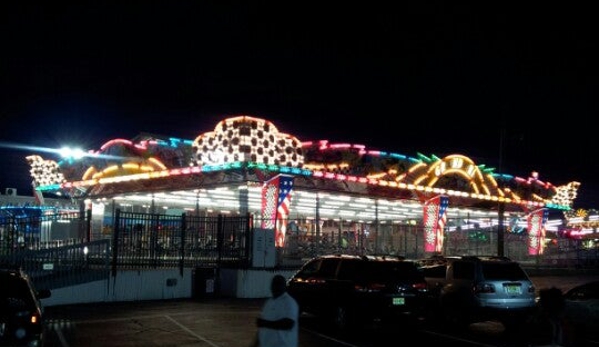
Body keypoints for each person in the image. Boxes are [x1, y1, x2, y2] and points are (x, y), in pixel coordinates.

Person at [251, 274, 299, 347]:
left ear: (284, 287)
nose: (276, 287)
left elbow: (288, 324)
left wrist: (265, 323)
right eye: (274, 284)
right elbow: (262, 327)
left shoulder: (289, 302)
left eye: (279, 284)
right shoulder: (269, 302)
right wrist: (255, 343)